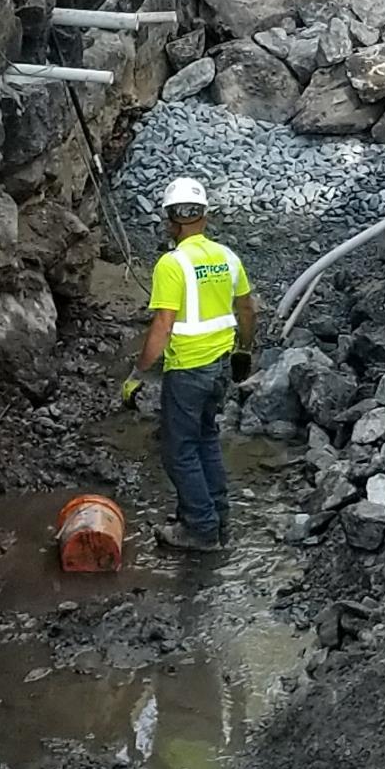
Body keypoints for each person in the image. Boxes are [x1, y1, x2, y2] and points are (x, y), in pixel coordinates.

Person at [124, 177, 256, 551]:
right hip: (219, 366)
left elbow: (163, 324)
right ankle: (214, 512)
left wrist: (138, 373)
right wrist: (244, 350)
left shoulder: (172, 263)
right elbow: (247, 309)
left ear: (170, 219)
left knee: (178, 450)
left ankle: (199, 529)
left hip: (187, 370)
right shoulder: (227, 257)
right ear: (205, 216)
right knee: (206, 438)